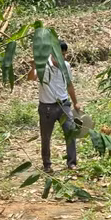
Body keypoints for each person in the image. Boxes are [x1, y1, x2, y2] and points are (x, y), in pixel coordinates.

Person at [30, 41, 81, 172]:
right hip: (47, 107)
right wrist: (33, 67)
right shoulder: (43, 65)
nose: (62, 57)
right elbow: (32, 78)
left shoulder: (66, 66)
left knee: (70, 133)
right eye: (60, 54)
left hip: (64, 105)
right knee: (46, 137)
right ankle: (47, 164)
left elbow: (69, 84)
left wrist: (75, 102)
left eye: (64, 54)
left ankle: (71, 163)